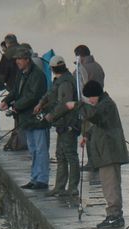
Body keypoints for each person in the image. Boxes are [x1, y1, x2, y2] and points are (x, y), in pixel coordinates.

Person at [68, 80, 129, 229]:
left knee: (111, 186)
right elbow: (99, 124)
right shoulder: (103, 105)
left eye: (91, 98)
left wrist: (77, 105)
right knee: (109, 185)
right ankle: (113, 214)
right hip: (106, 154)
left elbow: (95, 116)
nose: (90, 101)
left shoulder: (106, 105)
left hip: (110, 154)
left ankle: (114, 216)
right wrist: (87, 135)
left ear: (96, 95)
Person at [1, 48, 50, 189]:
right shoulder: (21, 74)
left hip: (38, 119)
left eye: (20, 59)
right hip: (26, 119)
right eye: (16, 59)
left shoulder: (38, 76)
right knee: (33, 149)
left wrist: (17, 106)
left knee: (41, 150)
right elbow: (16, 91)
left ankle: (42, 179)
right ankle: (34, 178)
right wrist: (7, 100)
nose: (17, 61)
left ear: (27, 60)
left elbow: (33, 96)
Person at [34, 55, 80, 199]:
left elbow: (64, 105)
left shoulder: (65, 82)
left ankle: (72, 188)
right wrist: (41, 103)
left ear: (52, 69)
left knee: (70, 156)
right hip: (62, 125)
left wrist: (50, 116)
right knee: (60, 156)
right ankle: (59, 187)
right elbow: (50, 94)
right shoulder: (59, 80)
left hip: (68, 124)